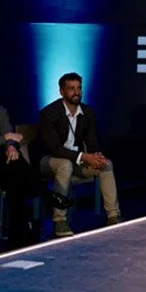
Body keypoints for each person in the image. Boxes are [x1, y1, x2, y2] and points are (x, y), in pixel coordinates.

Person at [30, 72, 122, 237]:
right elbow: (55, 149)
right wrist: (83, 157)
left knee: (106, 164)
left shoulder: (87, 112)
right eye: (71, 88)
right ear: (62, 92)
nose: (76, 92)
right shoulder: (49, 113)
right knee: (64, 165)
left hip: (76, 160)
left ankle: (113, 216)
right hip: (48, 160)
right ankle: (59, 220)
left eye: (79, 88)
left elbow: (92, 142)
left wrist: (96, 156)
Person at [0, 105, 73, 248]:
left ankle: (19, 237)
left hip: (4, 166)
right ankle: (46, 194)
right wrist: (5, 138)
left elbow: (10, 134)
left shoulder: (1, 110)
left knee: (14, 175)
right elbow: (8, 135)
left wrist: (11, 146)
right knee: (13, 170)